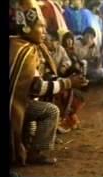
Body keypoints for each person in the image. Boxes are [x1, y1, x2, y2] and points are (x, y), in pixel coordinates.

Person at [10, 8, 88, 165]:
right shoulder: (23, 50)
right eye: (40, 26)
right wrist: (68, 83)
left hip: (21, 101)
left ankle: (26, 145)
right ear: (27, 28)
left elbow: (42, 77)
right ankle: (34, 153)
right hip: (14, 105)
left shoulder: (26, 46)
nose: (44, 31)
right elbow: (36, 88)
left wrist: (68, 80)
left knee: (37, 111)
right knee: (50, 111)